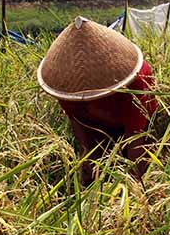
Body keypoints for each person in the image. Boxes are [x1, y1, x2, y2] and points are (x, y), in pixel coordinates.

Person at [37, 16, 158, 185]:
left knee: (138, 153)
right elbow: (76, 119)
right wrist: (88, 155)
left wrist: (136, 186)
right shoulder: (66, 83)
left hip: (132, 119)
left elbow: (135, 140)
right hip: (97, 119)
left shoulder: (134, 85)